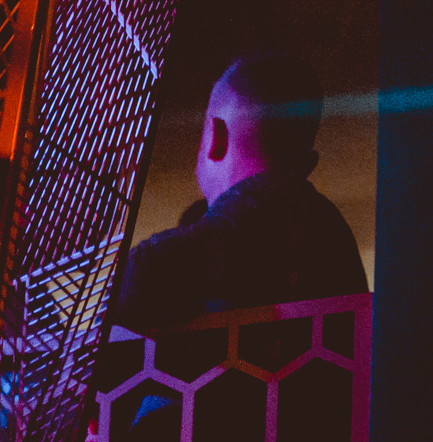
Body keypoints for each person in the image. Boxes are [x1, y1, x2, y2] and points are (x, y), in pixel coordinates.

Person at [114, 52, 367, 330]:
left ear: (215, 137)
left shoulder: (263, 207)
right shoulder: (325, 225)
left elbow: (142, 278)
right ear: (308, 164)